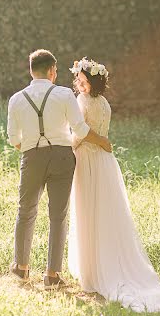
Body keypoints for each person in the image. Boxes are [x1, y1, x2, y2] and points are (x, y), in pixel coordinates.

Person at [68, 57, 160, 312]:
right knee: (105, 214)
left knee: (89, 212)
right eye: (80, 82)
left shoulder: (83, 101)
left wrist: (66, 147)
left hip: (87, 159)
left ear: (93, 82)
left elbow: (79, 133)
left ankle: (93, 272)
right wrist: (100, 143)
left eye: (85, 82)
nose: (82, 86)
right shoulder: (104, 102)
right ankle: (102, 265)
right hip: (104, 162)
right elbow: (102, 135)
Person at [7, 49, 112, 289]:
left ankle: (21, 268)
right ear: (53, 71)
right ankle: (52, 275)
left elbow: (14, 139)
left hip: (31, 156)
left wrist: (33, 147)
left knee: (26, 211)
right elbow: (81, 130)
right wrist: (104, 142)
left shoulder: (16, 99)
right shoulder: (64, 94)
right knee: (58, 215)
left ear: (31, 71)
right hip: (63, 157)